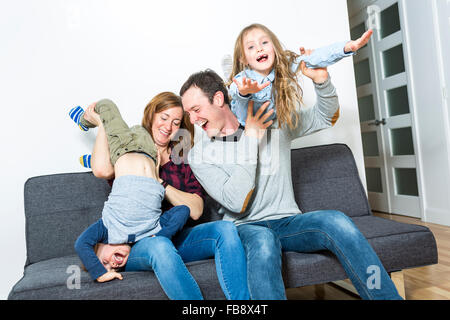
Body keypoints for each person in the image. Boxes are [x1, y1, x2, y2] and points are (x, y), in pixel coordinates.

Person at [179, 27, 402, 299]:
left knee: (336, 221)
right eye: (188, 114)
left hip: (288, 222)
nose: (192, 121)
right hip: (245, 229)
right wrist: (250, 136)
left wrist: (322, 82)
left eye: (195, 110)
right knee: (262, 241)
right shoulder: (199, 154)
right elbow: (237, 202)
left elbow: (325, 117)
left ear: (217, 99)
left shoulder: (277, 123)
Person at [83, 92, 250, 299]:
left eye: (176, 122)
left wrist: (159, 183)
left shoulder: (183, 160)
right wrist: (101, 124)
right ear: (151, 116)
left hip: (179, 236)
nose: (168, 126)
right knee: (160, 245)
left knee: (225, 229)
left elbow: (196, 211)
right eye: (163, 118)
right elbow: (101, 170)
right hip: (139, 242)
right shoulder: (132, 151)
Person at [72, 98, 191, 283]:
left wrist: (100, 274)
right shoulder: (149, 232)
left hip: (122, 148)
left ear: (99, 245)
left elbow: (81, 244)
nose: (114, 264)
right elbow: (183, 211)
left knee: (107, 105)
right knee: (143, 130)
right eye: (114, 268)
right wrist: (160, 237)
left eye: (105, 262)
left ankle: (83, 121)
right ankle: (101, 157)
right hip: (150, 151)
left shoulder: (108, 228)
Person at [228, 23, 373, 127]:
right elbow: (235, 89)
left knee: (308, 60)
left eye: (264, 42)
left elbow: (315, 57)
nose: (259, 48)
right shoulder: (244, 79)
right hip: (241, 125)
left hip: (272, 122)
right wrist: (244, 92)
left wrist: (346, 48)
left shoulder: (284, 67)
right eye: (251, 47)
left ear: (274, 48)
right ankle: (227, 69)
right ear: (244, 59)